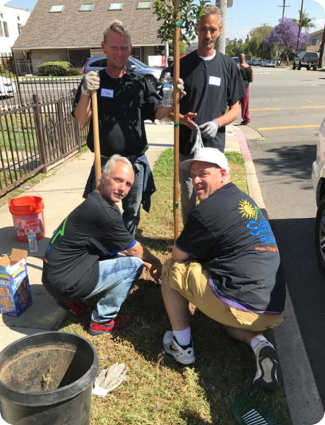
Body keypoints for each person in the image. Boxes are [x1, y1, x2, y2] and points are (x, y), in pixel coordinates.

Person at [161, 147, 286, 392]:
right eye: (194, 175)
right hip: (269, 308)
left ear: (223, 174)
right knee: (231, 326)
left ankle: (181, 346)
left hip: (242, 302)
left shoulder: (206, 211)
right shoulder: (243, 199)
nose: (196, 180)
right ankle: (260, 344)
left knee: (171, 269)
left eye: (203, 174)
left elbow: (178, 255)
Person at [73, 20, 183, 237]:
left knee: (132, 211)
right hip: (105, 163)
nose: (119, 52)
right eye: (114, 47)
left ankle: (126, 246)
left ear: (130, 49)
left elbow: (158, 113)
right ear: (103, 47)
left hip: (135, 163)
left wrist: (172, 98)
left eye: (124, 48)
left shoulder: (139, 82)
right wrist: (86, 92)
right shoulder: (95, 81)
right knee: (102, 212)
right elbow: (82, 120)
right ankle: (105, 249)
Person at [42, 155, 163, 335]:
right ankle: (102, 321)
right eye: (118, 180)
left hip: (52, 278)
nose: (122, 189)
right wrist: (156, 262)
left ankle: (71, 302)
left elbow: (118, 246)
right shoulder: (104, 212)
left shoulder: (95, 200)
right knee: (134, 264)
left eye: (128, 184)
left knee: (119, 255)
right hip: (66, 284)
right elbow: (134, 249)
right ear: (103, 177)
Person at [168, 5, 246, 224]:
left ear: (219, 30)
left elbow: (236, 110)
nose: (208, 35)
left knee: (212, 200)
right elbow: (164, 110)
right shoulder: (181, 66)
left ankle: (210, 243)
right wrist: (181, 118)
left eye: (212, 29)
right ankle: (189, 242)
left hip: (213, 149)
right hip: (187, 148)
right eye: (204, 29)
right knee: (189, 199)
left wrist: (216, 122)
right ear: (196, 29)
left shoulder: (227, 66)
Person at [238, 53, 253, 125]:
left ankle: (228, 118)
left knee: (233, 104)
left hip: (239, 88)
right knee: (245, 105)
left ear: (239, 59)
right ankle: (246, 119)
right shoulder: (250, 68)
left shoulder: (239, 67)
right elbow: (251, 80)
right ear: (245, 58)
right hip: (246, 88)